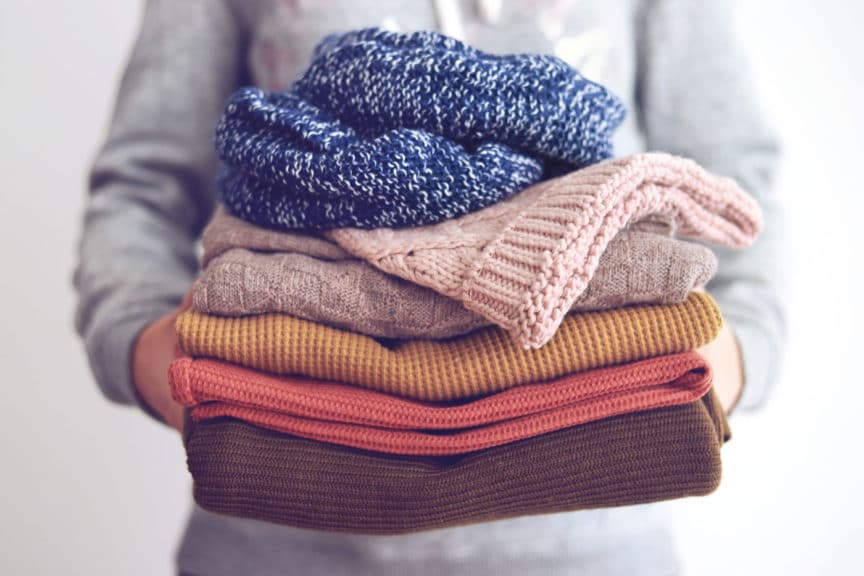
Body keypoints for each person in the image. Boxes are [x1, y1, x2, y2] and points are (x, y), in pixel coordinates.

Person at [74, 0, 786, 574]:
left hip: (596, 552)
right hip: (279, 549)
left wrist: (718, 365)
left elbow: (735, 183)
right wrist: (155, 358)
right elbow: (143, 186)